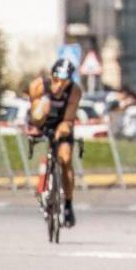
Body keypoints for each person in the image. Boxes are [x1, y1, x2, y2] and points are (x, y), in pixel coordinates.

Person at [27, 58, 83, 227]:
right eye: (56, 80)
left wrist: (61, 131)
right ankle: (44, 189)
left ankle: (67, 204)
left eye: (64, 82)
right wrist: (44, 104)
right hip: (43, 122)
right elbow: (35, 118)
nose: (59, 85)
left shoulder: (74, 91)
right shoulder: (38, 86)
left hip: (62, 123)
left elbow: (68, 119)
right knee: (41, 116)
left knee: (65, 159)